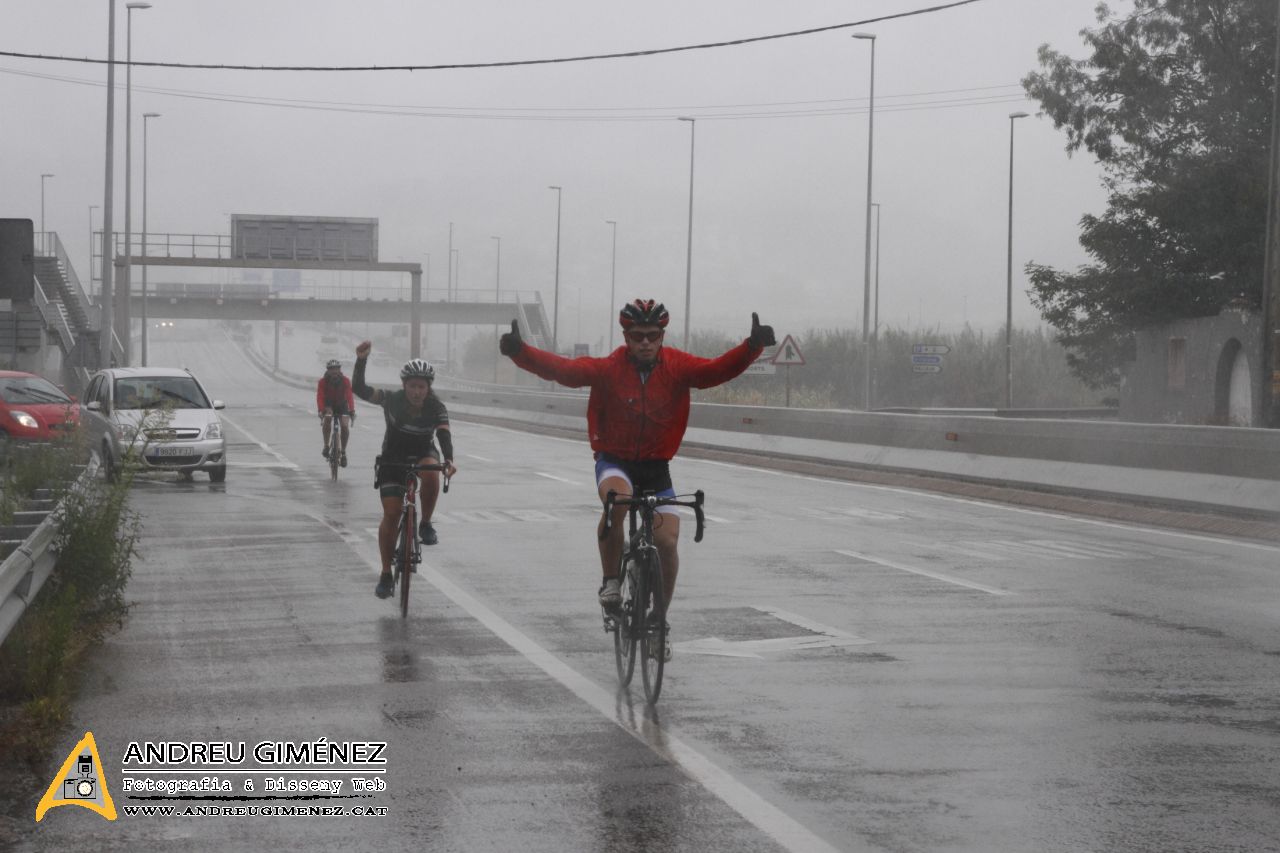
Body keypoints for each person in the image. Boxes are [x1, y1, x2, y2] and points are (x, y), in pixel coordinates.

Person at [499, 299, 775, 661]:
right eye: (637, 336)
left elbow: (715, 371)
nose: (645, 343)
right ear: (626, 337)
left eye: (652, 336)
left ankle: (659, 622)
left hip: (656, 465)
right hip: (614, 460)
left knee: (667, 543)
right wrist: (521, 352)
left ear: (662, 336)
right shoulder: (609, 368)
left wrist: (751, 347)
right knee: (619, 501)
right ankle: (612, 581)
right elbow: (564, 370)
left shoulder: (677, 366)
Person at [352, 341, 457, 600]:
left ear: (428, 388)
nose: (417, 392)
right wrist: (361, 360)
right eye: (413, 386)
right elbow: (360, 390)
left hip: (423, 453)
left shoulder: (436, 407)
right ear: (404, 386)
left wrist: (450, 460)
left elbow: (444, 436)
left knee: (432, 470)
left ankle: (425, 524)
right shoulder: (391, 400)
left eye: (422, 387)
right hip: (392, 459)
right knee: (391, 514)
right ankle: (386, 573)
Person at [316, 358, 356, 467]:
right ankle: (326, 446)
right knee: (328, 418)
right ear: (328, 370)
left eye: (336, 369)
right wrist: (320, 410)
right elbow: (320, 396)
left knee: (344, 426)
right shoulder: (323, 382)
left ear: (340, 370)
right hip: (328, 405)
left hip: (342, 405)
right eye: (331, 369)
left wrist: (352, 410)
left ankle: (343, 452)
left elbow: (349, 396)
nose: (334, 371)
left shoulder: (345, 381)